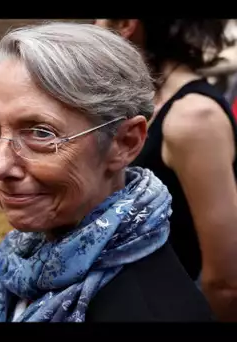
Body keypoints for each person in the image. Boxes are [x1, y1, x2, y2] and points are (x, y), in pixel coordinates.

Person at [0, 22, 214, 322]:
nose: (0, 166)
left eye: (41, 134)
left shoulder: (148, 309)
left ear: (124, 142)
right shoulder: (23, 259)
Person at [94, 19, 237, 321]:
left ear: (125, 24)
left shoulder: (194, 117)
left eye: (100, 18)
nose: (95, 27)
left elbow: (226, 280)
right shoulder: (143, 105)